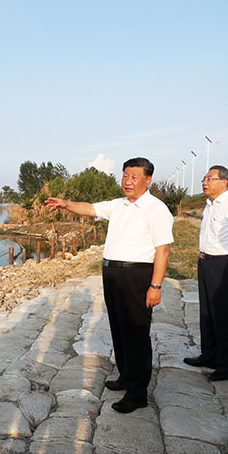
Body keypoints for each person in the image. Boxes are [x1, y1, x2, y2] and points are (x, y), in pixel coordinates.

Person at [45, 157, 173, 413]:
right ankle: (126, 376)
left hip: (137, 275)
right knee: (119, 327)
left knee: (136, 333)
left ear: (148, 180)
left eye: (134, 176)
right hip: (113, 273)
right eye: (125, 175)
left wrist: (155, 286)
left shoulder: (156, 209)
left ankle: (137, 394)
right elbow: (91, 208)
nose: (127, 181)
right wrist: (66, 204)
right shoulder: (119, 205)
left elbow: (164, 250)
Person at [183, 165, 228, 381]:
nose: (205, 182)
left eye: (210, 178)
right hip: (206, 262)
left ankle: (226, 364)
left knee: (224, 315)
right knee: (207, 312)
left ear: (225, 182)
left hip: (224, 265)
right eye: (204, 178)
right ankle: (209, 355)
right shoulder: (209, 205)